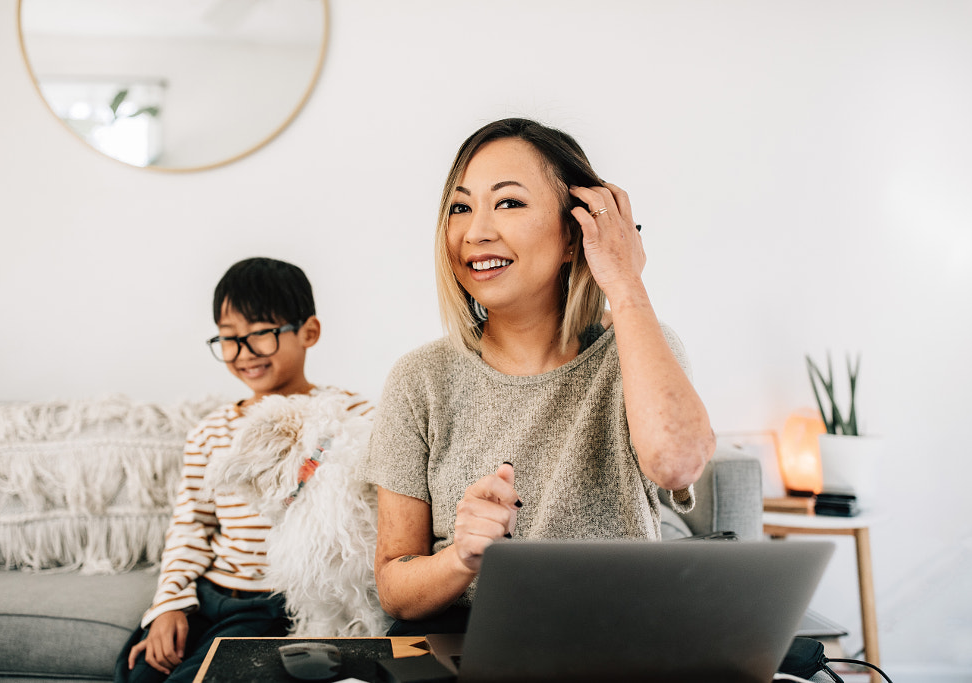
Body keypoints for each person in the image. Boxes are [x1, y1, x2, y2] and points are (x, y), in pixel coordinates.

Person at [357, 118, 716, 635]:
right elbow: (395, 590)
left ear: (575, 233)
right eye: (461, 207)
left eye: (508, 202)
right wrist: (462, 557)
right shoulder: (421, 379)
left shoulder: (637, 348)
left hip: (615, 640)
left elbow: (677, 464)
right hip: (470, 645)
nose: (476, 232)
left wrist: (624, 281)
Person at [116, 257, 369, 683]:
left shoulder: (351, 417)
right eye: (229, 339)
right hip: (210, 595)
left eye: (261, 335)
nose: (244, 353)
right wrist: (169, 606)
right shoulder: (211, 432)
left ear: (309, 332)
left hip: (277, 603)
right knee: (139, 674)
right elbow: (191, 525)